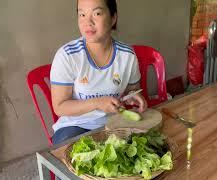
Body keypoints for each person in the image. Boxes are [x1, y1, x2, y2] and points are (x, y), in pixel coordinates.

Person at [50, 0, 147, 145]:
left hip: (115, 122)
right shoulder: (67, 56)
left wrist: (133, 96)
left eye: (97, 13)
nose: (87, 22)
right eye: (82, 14)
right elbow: (60, 106)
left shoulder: (127, 55)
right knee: (73, 153)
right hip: (76, 125)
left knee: (143, 148)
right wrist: (97, 103)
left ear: (113, 17)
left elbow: (132, 89)